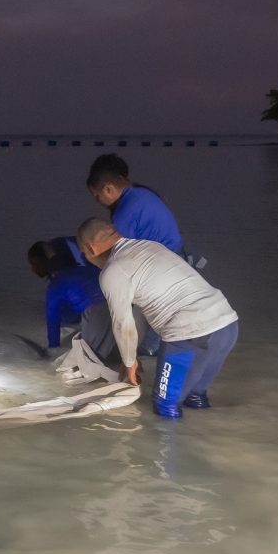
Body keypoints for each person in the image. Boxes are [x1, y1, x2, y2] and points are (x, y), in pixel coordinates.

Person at [76, 218, 239, 418]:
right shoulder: (150, 246)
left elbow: (122, 324)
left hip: (189, 333)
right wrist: (131, 357)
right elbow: (140, 312)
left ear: (91, 249)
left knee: (165, 407)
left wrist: (128, 364)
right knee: (194, 398)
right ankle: (202, 439)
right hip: (227, 324)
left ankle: (166, 447)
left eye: (83, 254)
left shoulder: (113, 271)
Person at [27, 236, 117, 364]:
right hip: (118, 305)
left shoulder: (55, 286)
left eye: (36, 264)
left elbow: (53, 322)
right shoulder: (86, 269)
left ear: (47, 262)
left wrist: (53, 351)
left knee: (90, 363)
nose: (33, 269)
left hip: (97, 312)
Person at [86, 153, 183, 254]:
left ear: (108, 189)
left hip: (163, 262)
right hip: (176, 257)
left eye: (97, 196)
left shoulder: (125, 211)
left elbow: (118, 255)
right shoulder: (143, 194)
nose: (97, 201)